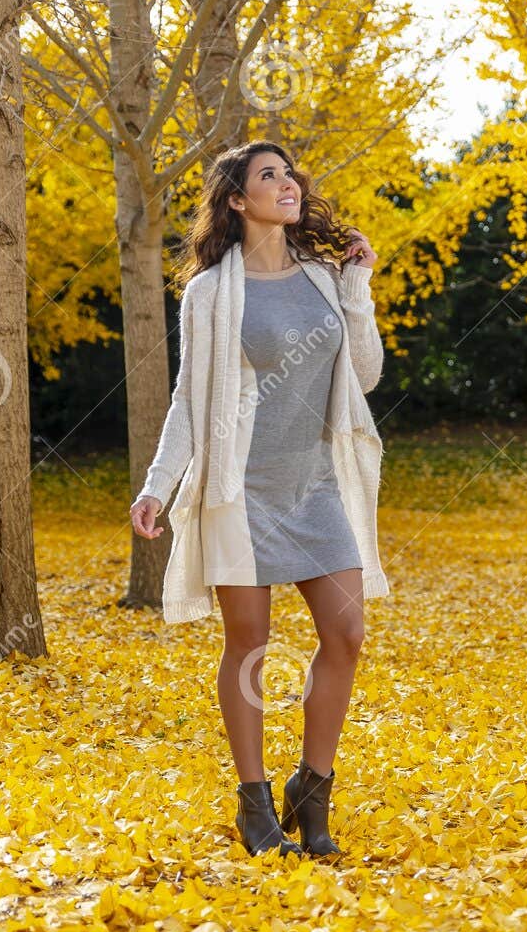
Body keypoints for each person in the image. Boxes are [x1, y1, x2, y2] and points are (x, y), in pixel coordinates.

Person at [128, 141, 388, 857]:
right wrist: (158, 484)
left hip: (316, 486)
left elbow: (363, 376)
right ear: (237, 201)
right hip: (241, 489)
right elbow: (188, 397)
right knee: (248, 644)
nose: (288, 184)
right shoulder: (210, 292)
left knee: (347, 634)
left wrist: (359, 288)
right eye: (268, 176)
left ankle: (314, 784)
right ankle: (255, 801)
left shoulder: (325, 278)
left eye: (290, 173)